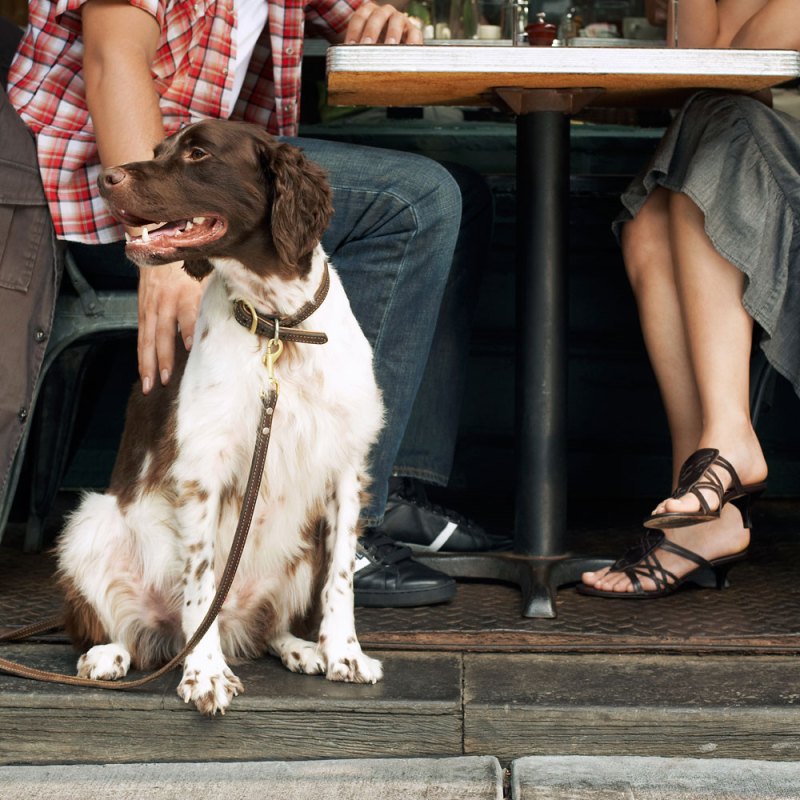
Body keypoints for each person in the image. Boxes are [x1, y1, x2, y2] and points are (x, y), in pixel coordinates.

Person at [1, 0, 505, 609]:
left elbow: (346, 13)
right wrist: (159, 235)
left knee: (462, 194)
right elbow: (113, 58)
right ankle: (341, 533)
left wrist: (384, 22)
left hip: (209, 183)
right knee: (418, 201)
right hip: (102, 181)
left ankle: (390, 489)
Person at [579, 0, 800, 598]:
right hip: (748, 148)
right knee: (650, 223)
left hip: (773, 157)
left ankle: (726, 446)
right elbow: (700, 59)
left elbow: (748, 60)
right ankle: (704, 504)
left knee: (721, 128)